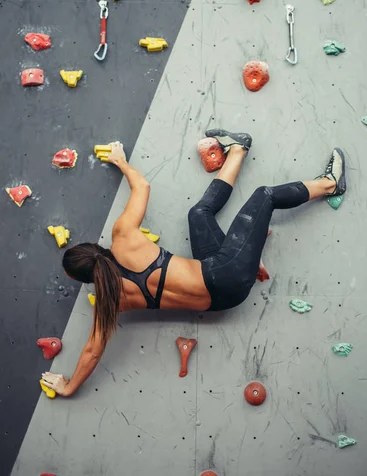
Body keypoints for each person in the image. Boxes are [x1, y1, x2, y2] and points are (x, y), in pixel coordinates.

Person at [41, 129, 346, 397]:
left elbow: (92, 351)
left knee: (198, 214)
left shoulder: (110, 302)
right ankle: (331, 184)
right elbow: (143, 187)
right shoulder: (123, 238)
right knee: (264, 195)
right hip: (226, 271)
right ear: (96, 248)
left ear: (87, 279)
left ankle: (238, 149)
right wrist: (121, 162)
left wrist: (68, 386)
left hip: (224, 299)